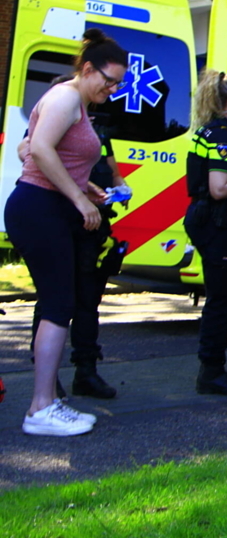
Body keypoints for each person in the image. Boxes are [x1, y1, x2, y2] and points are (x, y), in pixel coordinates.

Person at [5, 28, 128, 436]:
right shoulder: (64, 97)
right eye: (108, 81)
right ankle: (40, 408)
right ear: (88, 69)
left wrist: (85, 186)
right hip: (39, 208)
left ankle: (49, 402)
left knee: (63, 302)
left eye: (118, 84)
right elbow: (36, 148)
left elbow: (55, 153)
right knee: (59, 304)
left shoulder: (77, 102)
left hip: (48, 206)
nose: (112, 89)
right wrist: (78, 199)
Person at [19, 82, 129, 401]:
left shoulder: (95, 131)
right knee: (54, 300)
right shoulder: (58, 112)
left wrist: (118, 188)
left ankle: (86, 370)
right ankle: (47, 380)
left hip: (93, 223)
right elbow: (29, 149)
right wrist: (79, 192)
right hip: (64, 216)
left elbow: (111, 167)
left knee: (88, 299)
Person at [184, 70, 227, 395]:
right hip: (214, 221)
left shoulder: (211, 129)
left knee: (222, 296)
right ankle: (210, 371)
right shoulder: (224, 135)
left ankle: (211, 368)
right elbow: (219, 188)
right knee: (223, 299)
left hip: (208, 220)